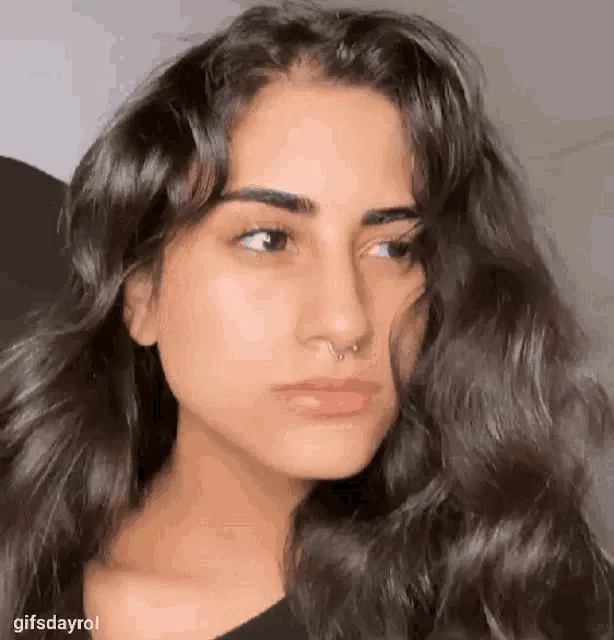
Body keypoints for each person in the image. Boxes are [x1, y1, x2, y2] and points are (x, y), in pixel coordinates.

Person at [1, 2, 612, 638]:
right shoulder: (30, 571)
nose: (346, 324)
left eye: (394, 248)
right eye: (269, 240)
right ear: (141, 295)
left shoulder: (521, 600)